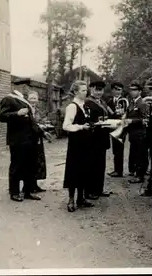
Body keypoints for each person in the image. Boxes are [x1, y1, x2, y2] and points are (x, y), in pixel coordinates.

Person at [0, 79, 47, 202]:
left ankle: (28, 191)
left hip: (30, 140)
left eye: (26, 85)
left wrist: (42, 133)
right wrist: (17, 113)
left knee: (30, 166)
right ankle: (14, 192)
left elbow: (32, 121)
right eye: (23, 85)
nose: (26, 88)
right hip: (18, 140)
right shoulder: (9, 99)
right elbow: (2, 116)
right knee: (16, 166)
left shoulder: (24, 100)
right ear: (15, 86)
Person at [62, 81, 94, 212]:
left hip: (86, 143)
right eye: (82, 90)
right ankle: (71, 200)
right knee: (74, 170)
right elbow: (66, 126)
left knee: (84, 169)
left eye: (86, 90)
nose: (86, 92)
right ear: (75, 92)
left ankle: (81, 198)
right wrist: (81, 127)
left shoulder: (85, 106)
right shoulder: (72, 106)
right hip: (76, 144)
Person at [85, 80, 113, 200]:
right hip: (92, 138)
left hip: (102, 137)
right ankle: (90, 191)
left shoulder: (103, 102)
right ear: (91, 89)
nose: (99, 92)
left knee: (101, 164)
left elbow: (109, 116)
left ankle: (99, 189)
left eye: (101, 90)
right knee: (92, 165)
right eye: (96, 89)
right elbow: (86, 120)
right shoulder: (87, 103)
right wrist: (96, 123)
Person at [127, 81, 150, 184]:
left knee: (141, 155)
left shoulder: (142, 103)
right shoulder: (132, 102)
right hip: (133, 133)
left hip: (140, 133)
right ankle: (136, 172)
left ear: (140, 91)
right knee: (135, 154)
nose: (132, 92)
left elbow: (145, 119)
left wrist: (132, 121)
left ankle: (140, 175)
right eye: (131, 90)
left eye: (135, 90)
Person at [26, 91, 48, 193]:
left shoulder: (38, 111)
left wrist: (44, 125)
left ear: (38, 100)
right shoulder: (26, 110)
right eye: (31, 98)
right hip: (29, 139)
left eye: (35, 98)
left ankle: (35, 184)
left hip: (38, 138)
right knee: (29, 162)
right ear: (27, 99)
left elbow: (42, 122)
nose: (33, 100)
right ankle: (29, 186)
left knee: (38, 161)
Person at [106, 81, 126, 177]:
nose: (118, 92)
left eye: (120, 90)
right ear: (112, 90)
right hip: (112, 127)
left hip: (120, 128)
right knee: (115, 150)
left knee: (119, 150)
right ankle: (116, 169)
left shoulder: (124, 101)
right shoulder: (109, 101)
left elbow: (124, 115)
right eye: (116, 89)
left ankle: (119, 171)